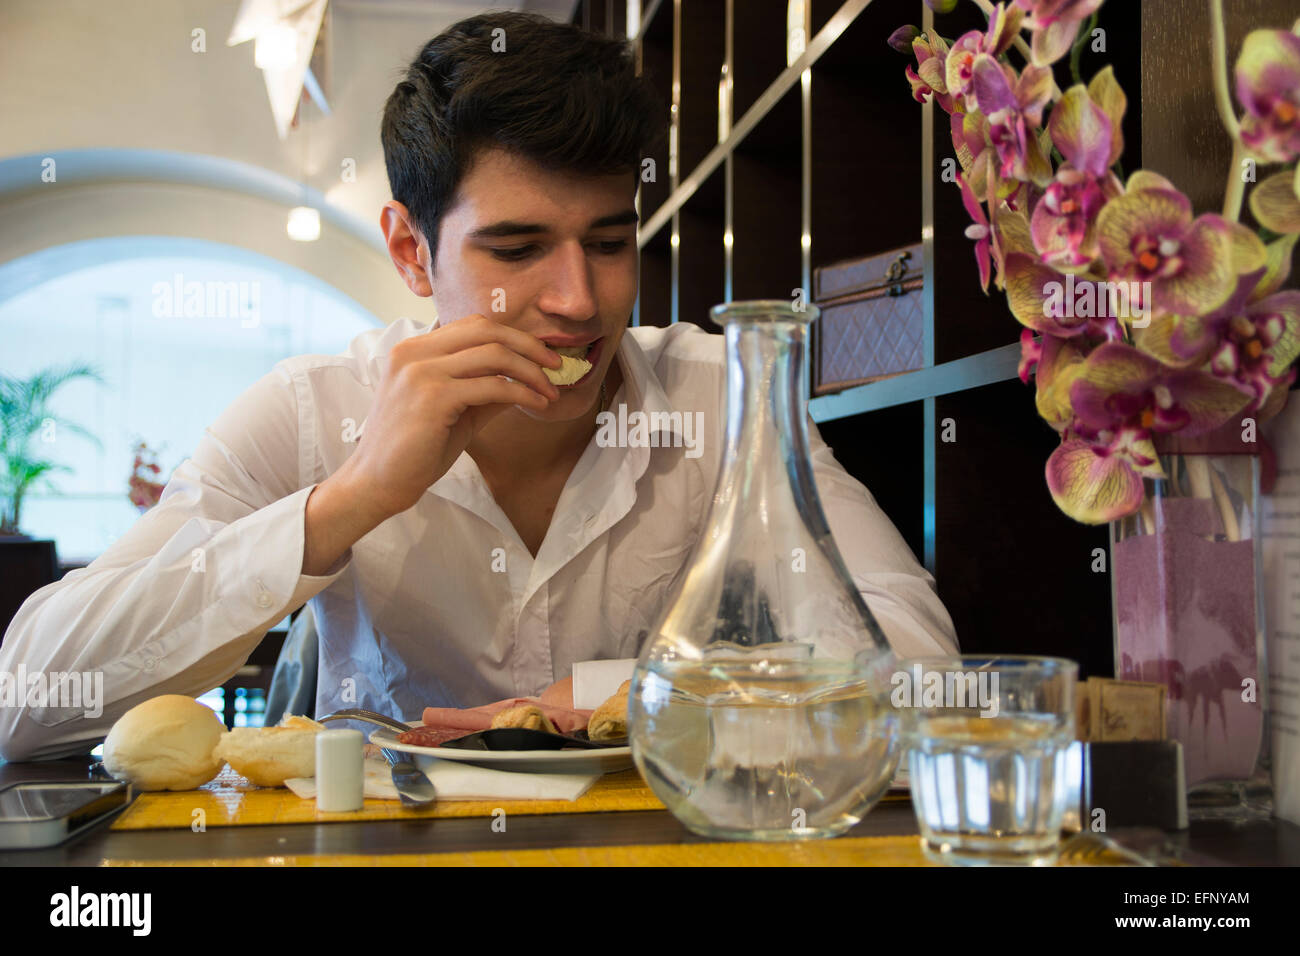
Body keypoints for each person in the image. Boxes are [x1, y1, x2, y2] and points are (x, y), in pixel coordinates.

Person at [0, 12, 957, 762]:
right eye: (518, 248)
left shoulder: (722, 393)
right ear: (412, 252)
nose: (579, 299)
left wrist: (605, 696)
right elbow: (25, 702)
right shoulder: (311, 409)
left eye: (610, 243)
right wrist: (351, 500)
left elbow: (919, 666)